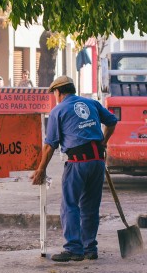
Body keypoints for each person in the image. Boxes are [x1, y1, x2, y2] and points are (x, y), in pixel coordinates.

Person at [32, 75, 118, 262]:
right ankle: (90, 248)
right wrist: (103, 142)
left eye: (54, 93)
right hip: (97, 162)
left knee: (70, 205)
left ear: (58, 92)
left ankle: (73, 248)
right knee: (90, 206)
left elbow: (50, 145)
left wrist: (40, 170)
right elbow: (112, 122)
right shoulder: (91, 103)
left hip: (77, 162)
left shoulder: (58, 110)